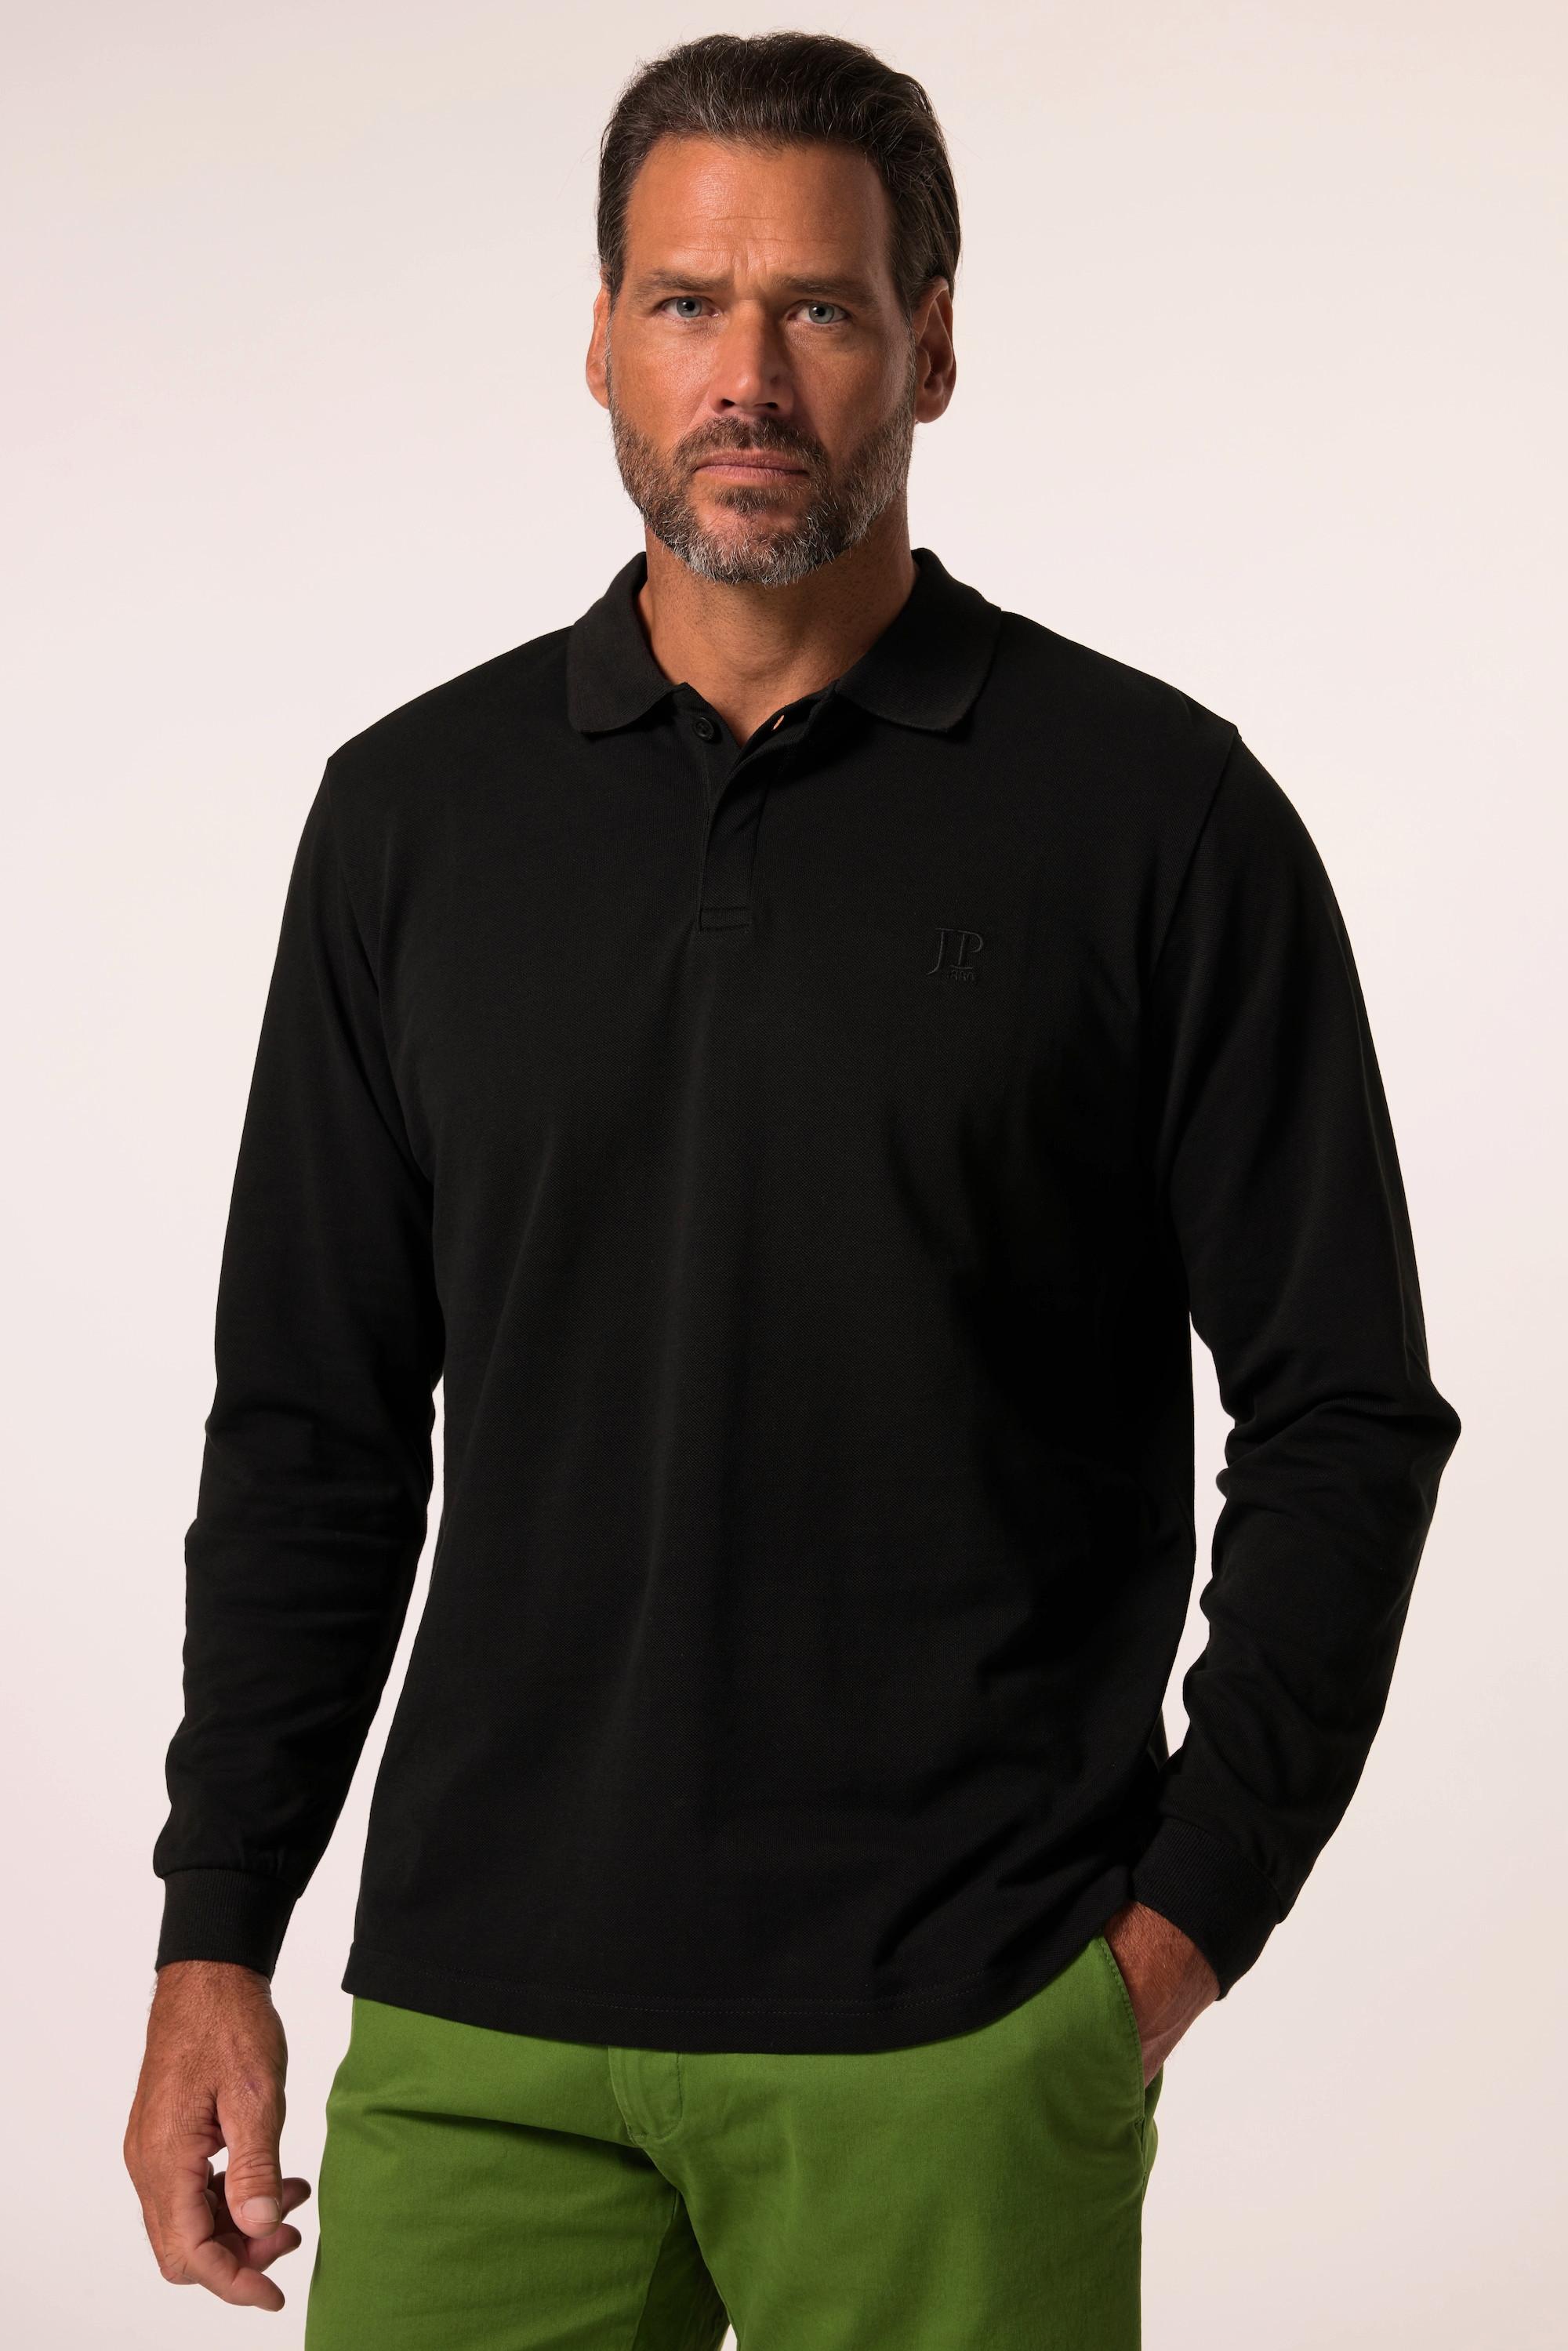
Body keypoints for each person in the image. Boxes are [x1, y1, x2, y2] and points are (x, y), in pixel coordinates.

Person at [123, 29, 1461, 2349]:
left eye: (817, 308)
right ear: (600, 340)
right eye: (685, 301)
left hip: (961, 2028)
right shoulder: (413, 822)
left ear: (930, 344)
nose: (744, 375)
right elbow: (313, 1431)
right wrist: (215, 1926)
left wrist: (1172, 1937)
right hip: (478, 2028)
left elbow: (1346, 1407)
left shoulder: (1156, 820)